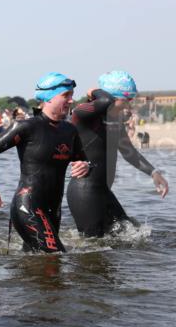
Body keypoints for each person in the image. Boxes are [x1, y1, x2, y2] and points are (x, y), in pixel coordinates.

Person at [0, 73, 89, 253]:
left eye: (71, 95)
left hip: (53, 209)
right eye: (66, 95)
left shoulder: (70, 131)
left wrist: (86, 166)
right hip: (28, 204)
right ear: (48, 98)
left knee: (34, 262)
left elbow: (83, 160)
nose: (71, 100)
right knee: (55, 256)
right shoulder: (26, 127)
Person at [66, 71, 168, 237]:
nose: (130, 104)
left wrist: (154, 173)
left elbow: (129, 153)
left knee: (131, 232)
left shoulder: (114, 120)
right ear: (111, 97)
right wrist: (94, 91)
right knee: (91, 253)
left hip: (104, 192)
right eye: (126, 99)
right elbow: (103, 101)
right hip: (85, 192)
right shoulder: (86, 115)